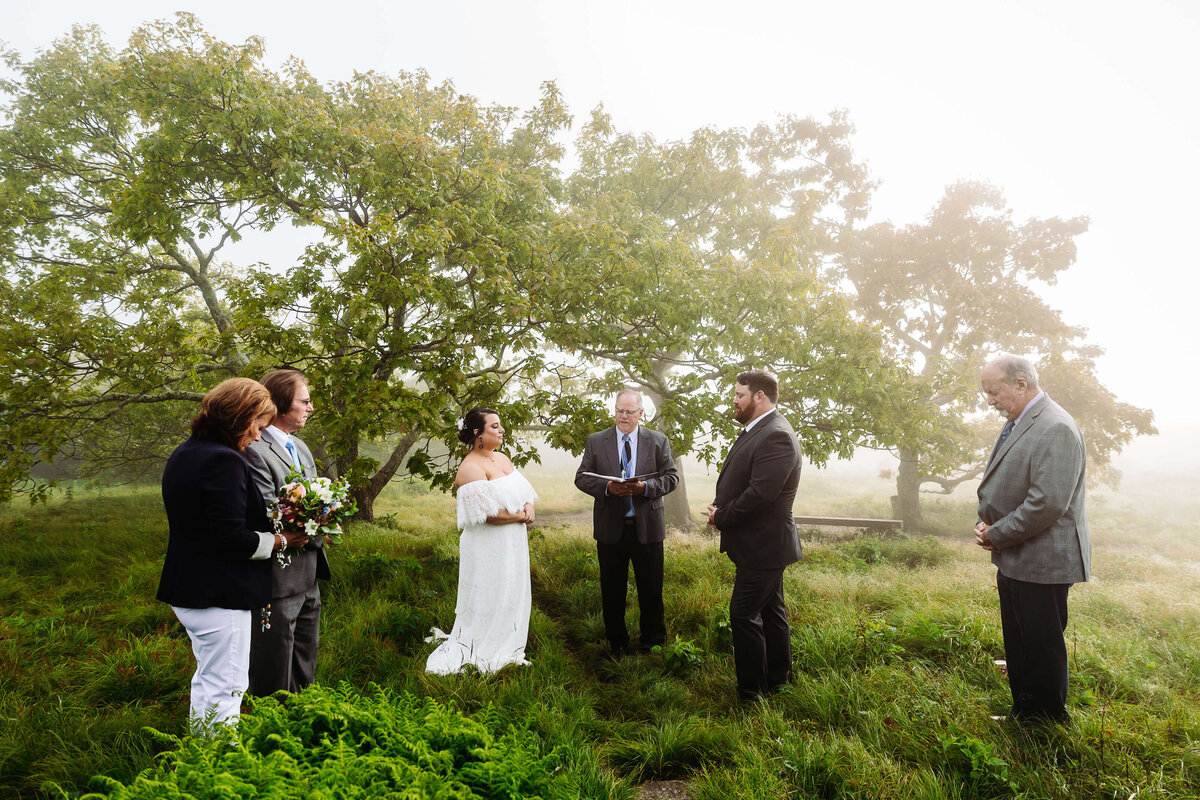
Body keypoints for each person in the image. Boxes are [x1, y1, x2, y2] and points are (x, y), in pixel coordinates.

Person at [157, 378, 309, 733]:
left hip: (191, 584)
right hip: (218, 590)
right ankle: (222, 763)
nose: (258, 437)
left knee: (209, 680)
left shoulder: (187, 452)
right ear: (240, 417)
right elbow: (230, 537)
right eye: (257, 426)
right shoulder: (223, 461)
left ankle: (203, 750)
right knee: (227, 686)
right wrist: (282, 541)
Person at [975, 354, 1090, 725]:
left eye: (994, 392)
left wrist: (997, 533)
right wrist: (987, 522)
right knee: (1021, 641)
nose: (989, 401)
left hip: (1042, 561)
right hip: (1018, 555)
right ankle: (1024, 713)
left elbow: (1047, 503)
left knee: (1040, 645)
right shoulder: (1021, 420)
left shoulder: (1055, 426)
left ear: (1020, 384)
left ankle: (1046, 723)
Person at [706, 369, 802, 702]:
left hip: (764, 545)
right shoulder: (759, 429)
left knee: (743, 614)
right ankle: (779, 680)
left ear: (759, 397)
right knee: (773, 612)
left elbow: (761, 494)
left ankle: (752, 695)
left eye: (739, 395)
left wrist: (722, 516)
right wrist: (721, 506)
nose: (734, 401)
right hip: (762, 545)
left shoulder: (776, 435)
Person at [425, 407, 539, 674]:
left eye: (500, 426)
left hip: (513, 541)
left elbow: (524, 489)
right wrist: (522, 515)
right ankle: (484, 647)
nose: (502, 431)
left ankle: (510, 643)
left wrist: (528, 505)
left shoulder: (502, 458)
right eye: (495, 427)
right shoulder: (470, 468)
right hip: (488, 545)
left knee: (512, 589)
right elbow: (487, 515)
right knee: (491, 591)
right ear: (478, 433)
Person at [243, 368, 331, 697]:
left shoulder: (301, 447)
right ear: (281, 405)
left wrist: (328, 514)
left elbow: (318, 499)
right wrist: (314, 516)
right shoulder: (255, 448)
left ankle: (305, 715)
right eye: (304, 402)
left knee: (306, 654)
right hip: (277, 576)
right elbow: (268, 512)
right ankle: (271, 725)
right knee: (274, 659)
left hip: (309, 571)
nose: (310, 408)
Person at [574, 389, 679, 657]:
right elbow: (582, 477)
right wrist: (608, 487)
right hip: (611, 530)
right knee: (612, 589)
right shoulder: (596, 441)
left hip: (648, 529)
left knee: (651, 589)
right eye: (620, 410)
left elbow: (671, 478)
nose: (623, 416)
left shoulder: (658, 441)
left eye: (629, 412)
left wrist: (645, 488)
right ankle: (617, 643)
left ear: (641, 414)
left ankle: (653, 643)